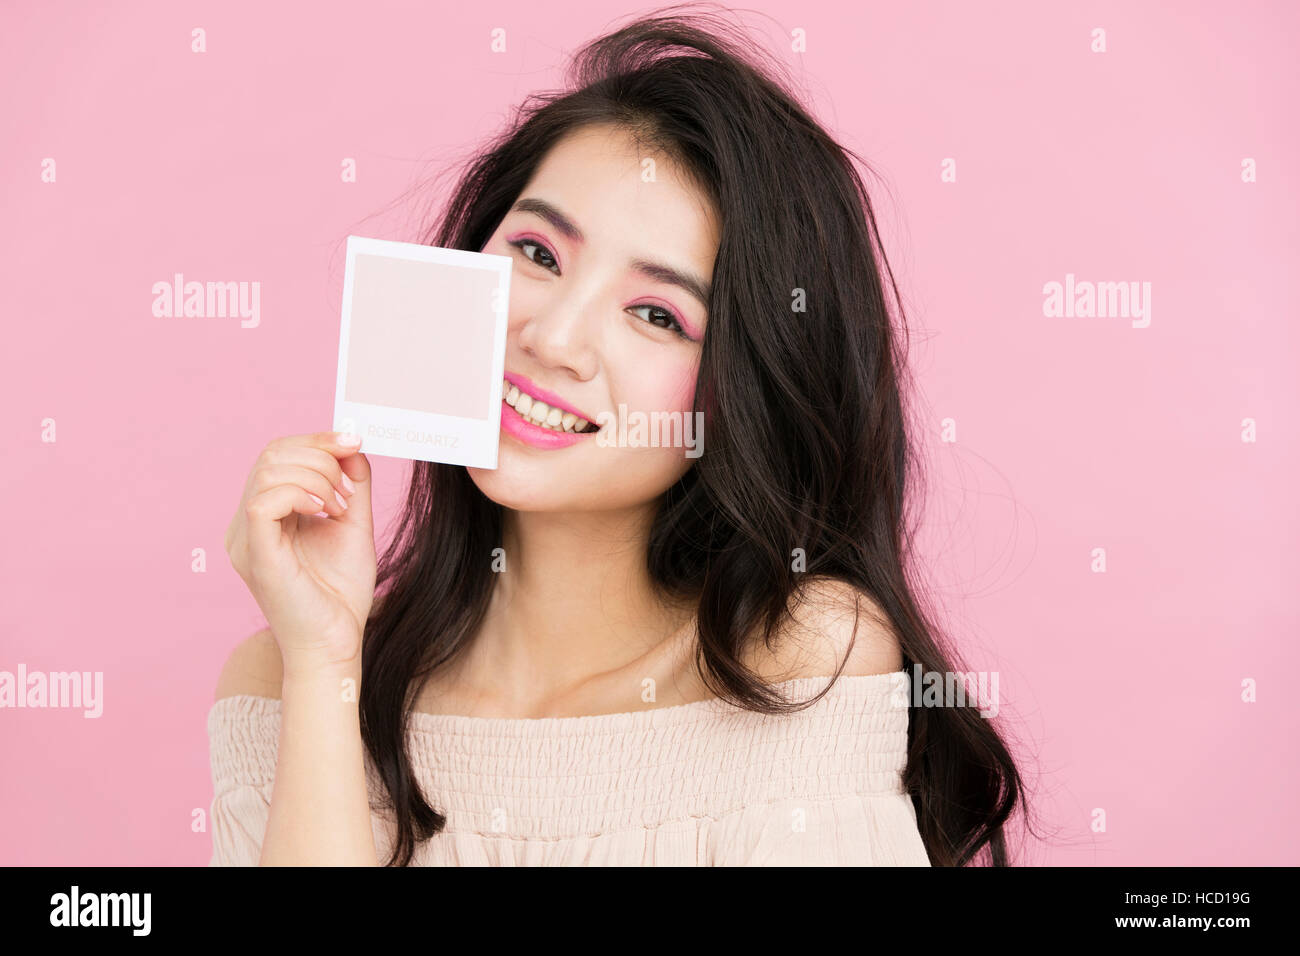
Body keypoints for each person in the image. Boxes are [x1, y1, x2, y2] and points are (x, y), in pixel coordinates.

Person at [209, 6, 1025, 866]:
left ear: (745, 392)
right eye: (539, 253)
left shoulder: (797, 664)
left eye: (655, 314)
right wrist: (326, 659)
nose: (554, 340)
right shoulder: (283, 684)